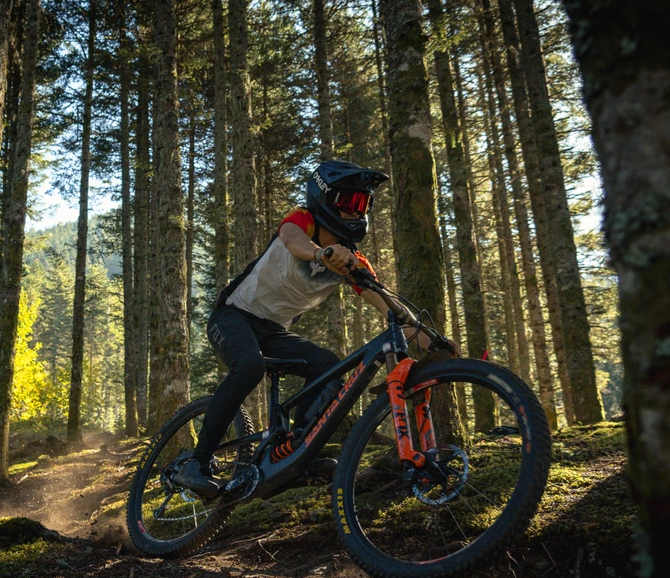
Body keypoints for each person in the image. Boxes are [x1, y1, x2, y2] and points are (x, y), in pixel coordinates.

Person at [175, 160, 458, 498]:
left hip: (274, 331)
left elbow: (391, 309)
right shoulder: (303, 221)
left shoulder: (352, 260)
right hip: (233, 316)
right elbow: (292, 240)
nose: (355, 211)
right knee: (250, 365)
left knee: (328, 366)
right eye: (348, 202)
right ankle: (197, 462)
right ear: (324, 197)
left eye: (363, 204)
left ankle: (296, 453)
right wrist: (322, 254)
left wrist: (433, 342)